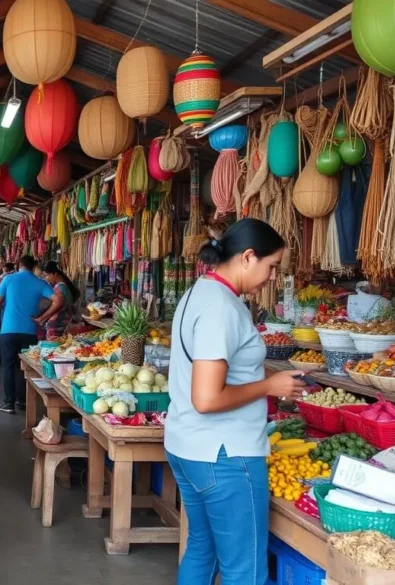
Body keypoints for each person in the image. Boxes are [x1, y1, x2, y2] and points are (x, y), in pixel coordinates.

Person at [168, 219, 305, 585]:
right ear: (248, 257)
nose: (272, 277)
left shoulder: (201, 292)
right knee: (245, 570)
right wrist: (269, 386)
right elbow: (207, 398)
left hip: (189, 445)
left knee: (203, 548)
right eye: (271, 266)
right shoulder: (222, 308)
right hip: (224, 455)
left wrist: (265, 380)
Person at [0, 255, 63, 414]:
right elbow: (58, 300)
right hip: (29, 332)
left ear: (19, 265)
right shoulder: (40, 283)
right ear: (34, 267)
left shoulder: (8, 279)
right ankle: (22, 400)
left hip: (8, 330)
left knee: (8, 367)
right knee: (25, 367)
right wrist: (43, 318)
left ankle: (9, 403)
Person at [41, 261, 79, 338]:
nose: (46, 279)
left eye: (47, 275)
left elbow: (55, 307)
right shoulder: (64, 286)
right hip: (63, 324)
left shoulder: (59, 288)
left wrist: (42, 318)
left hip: (57, 326)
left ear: (55, 273)